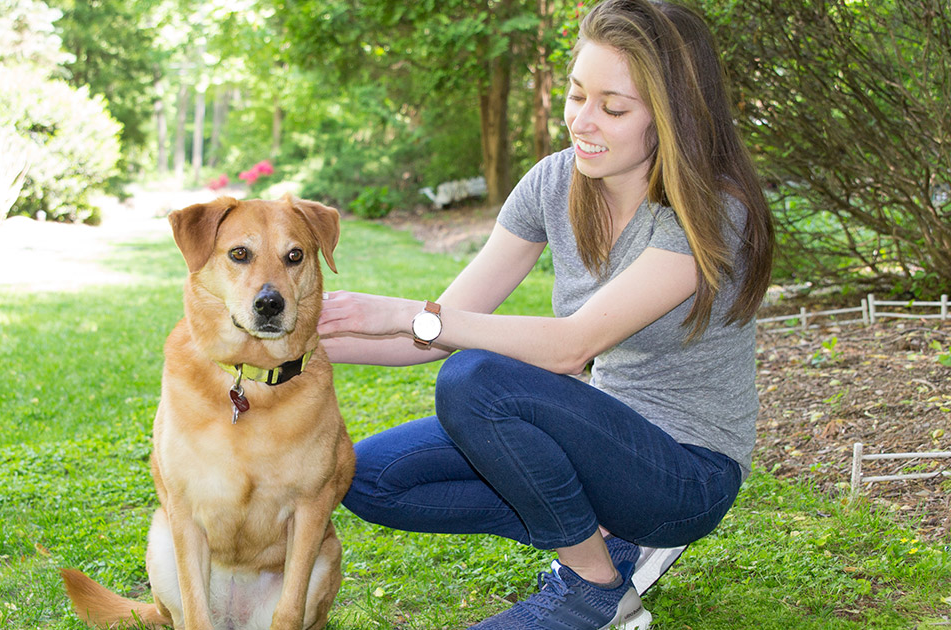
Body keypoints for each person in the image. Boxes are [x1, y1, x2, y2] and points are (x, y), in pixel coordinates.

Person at [316, 0, 775, 628]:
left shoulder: (712, 211)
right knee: (368, 477)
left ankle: (591, 588)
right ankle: (607, 554)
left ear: (674, 116)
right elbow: (431, 333)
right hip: (594, 437)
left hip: (683, 473)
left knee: (476, 381)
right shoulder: (554, 183)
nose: (582, 122)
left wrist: (406, 311)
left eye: (613, 108)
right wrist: (289, 344)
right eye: (576, 95)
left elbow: (569, 347)